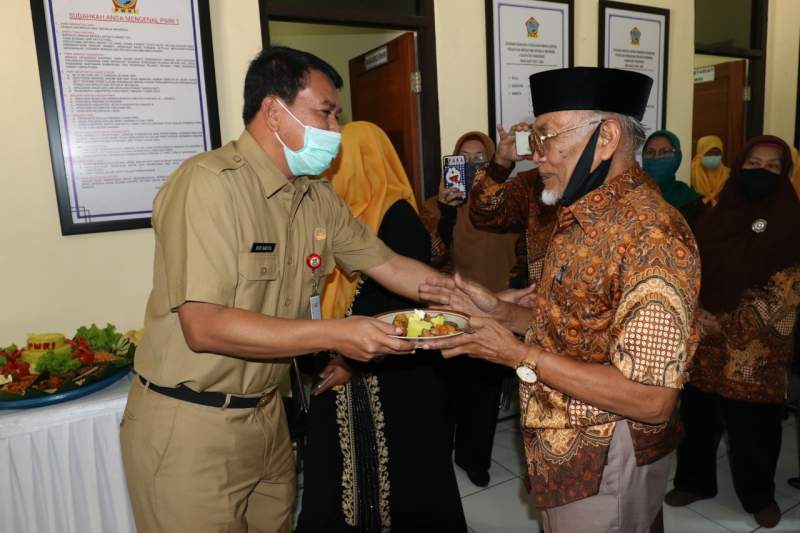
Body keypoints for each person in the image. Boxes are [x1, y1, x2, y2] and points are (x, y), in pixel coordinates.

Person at [119, 47, 442, 533]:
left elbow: (389, 264)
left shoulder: (315, 195)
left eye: (338, 116)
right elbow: (203, 327)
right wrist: (341, 332)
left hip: (269, 418)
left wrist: (472, 299)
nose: (336, 131)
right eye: (326, 113)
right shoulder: (208, 185)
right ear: (274, 111)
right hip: (192, 425)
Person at [420, 67, 701, 533]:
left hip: (607, 448)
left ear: (607, 137)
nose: (537, 157)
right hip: (561, 436)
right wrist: (499, 310)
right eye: (534, 138)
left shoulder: (652, 235)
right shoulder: (576, 212)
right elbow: (572, 325)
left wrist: (513, 354)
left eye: (546, 137)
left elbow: (652, 400)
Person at [295, 121, 466, 532]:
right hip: (351, 356)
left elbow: (400, 303)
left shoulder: (397, 217)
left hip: (388, 372)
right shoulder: (348, 212)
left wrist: (352, 362)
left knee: (394, 475)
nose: (332, 171)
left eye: (341, 160)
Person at [664, 135, 800, 529]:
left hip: (757, 351)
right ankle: (694, 481)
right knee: (697, 418)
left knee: (754, 428)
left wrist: (720, 324)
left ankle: (759, 494)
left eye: (773, 167)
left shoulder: (792, 221)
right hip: (705, 344)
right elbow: (689, 268)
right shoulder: (714, 213)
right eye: (754, 163)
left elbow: (786, 292)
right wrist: (697, 314)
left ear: (785, 174)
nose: (761, 172)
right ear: (740, 165)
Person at [420, 131, 520, 487]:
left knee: (483, 393)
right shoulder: (434, 206)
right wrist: (446, 213)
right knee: (445, 392)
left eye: (482, 158)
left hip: (498, 308)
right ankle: (439, 459)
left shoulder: (506, 204)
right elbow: (429, 258)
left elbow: (524, 250)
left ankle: (474, 458)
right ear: (453, 163)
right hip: (450, 310)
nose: (474, 166)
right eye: (465, 158)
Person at [642, 130, 704, 226]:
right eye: (650, 152)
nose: (656, 157)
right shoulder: (631, 196)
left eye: (664, 152)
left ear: (677, 157)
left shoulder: (690, 201)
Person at [691, 135, 730, 205]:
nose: (713, 156)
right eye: (709, 152)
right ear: (700, 153)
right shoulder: (690, 173)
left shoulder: (727, 174)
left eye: (717, 153)